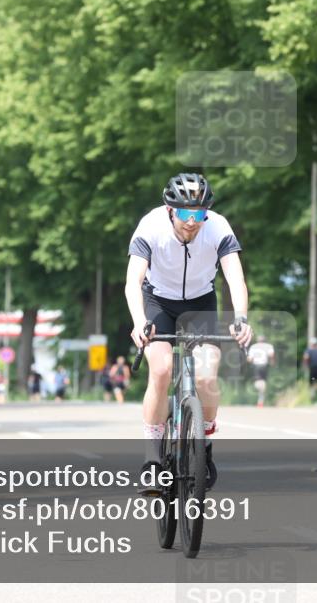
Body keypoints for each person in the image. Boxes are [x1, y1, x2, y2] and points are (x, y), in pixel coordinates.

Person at [125, 173, 252, 496]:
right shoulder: (150, 226)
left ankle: (204, 443)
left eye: (199, 214)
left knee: (207, 376)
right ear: (170, 210)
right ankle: (153, 460)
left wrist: (240, 318)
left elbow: (235, 278)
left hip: (200, 302)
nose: (192, 222)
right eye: (185, 214)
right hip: (158, 302)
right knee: (162, 368)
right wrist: (139, 321)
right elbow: (133, 282)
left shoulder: (218, 227)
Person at [247, 335, 275, 408]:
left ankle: (260, 393)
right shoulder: (268, 346)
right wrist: (272, 362)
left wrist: (249, 360)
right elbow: (271, 355)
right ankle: (261, 398)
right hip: (264, 366)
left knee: (258, 382)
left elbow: (250, 359)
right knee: (263, 382)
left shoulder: (253, 347)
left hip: (256, 366)